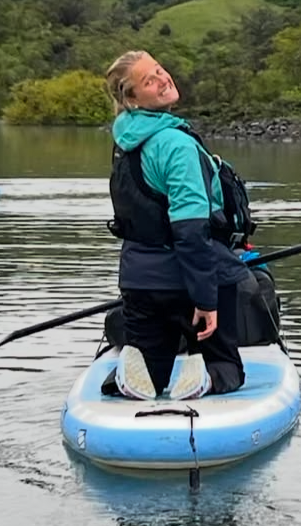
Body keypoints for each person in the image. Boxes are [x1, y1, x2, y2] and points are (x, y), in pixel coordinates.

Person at [103, 49, 249, 401]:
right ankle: (206, 376)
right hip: (187, 281)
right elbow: (190, 231)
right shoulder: (176, 145)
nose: (162, 79)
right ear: (132, 99)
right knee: (227, 366)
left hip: (139, 282)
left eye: (158, 70)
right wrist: (205, 299)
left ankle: (137, 377)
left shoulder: (124, 142)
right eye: (148, 80)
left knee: (151, 370)